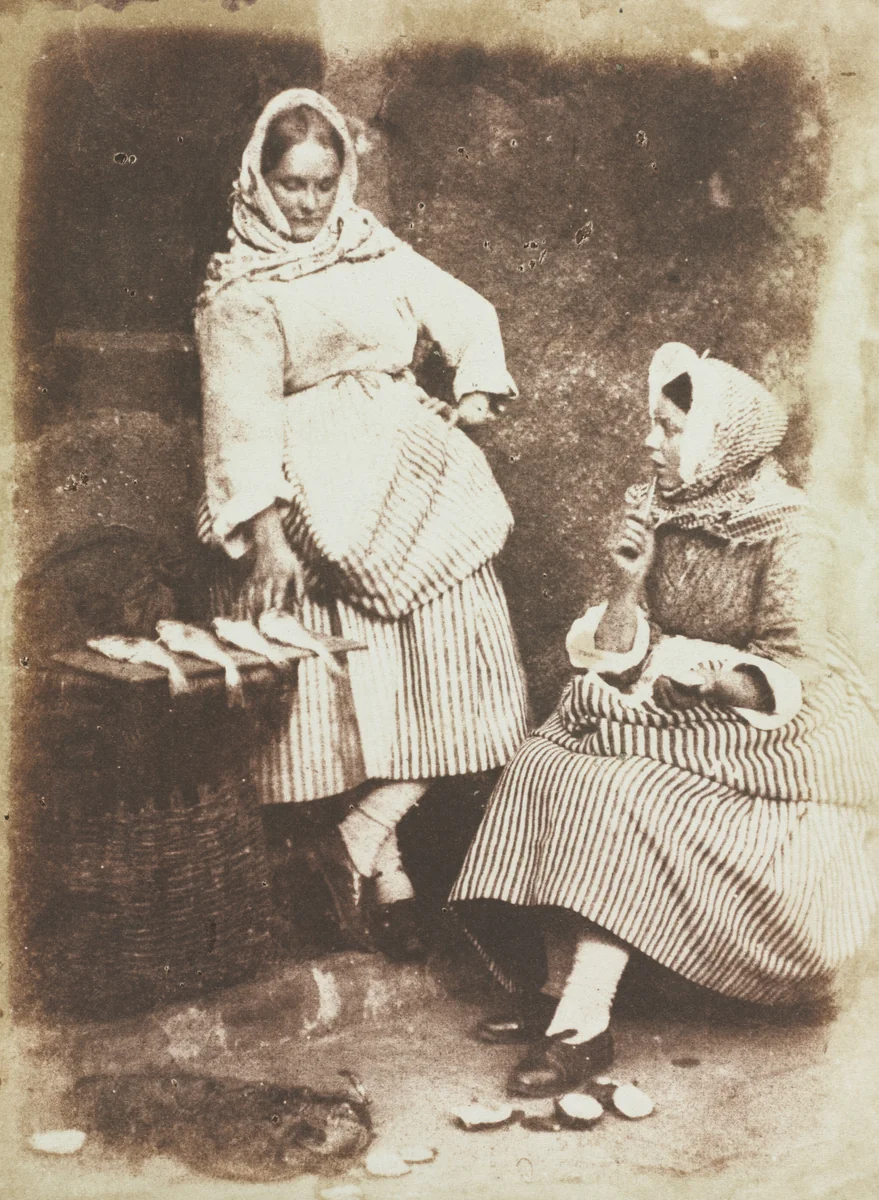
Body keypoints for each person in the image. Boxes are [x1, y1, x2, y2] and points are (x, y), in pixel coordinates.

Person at [450, 342, 879, 1097]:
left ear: (719, 440)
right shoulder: (652, 508)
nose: (650, 441)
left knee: (626, 792)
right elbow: (614, 650)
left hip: (777, 722)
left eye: (670, 426)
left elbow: (794, 666)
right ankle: (556, 994)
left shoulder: (792, 533)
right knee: (544, 761)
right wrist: (626, 583)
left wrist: (717, 682)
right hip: (671, 699)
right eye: (653, 423)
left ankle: (584, 1023)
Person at [194, 89, 529, 962]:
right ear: (260, 183)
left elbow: (468, 315)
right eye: (290, 185)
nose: (307, 205)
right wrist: (267, 536)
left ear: (342, 178)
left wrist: (475, 390)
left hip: (415, 476)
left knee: (452, 675)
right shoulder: (241, 291)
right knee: (365, 690)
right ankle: (391, 884)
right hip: (317, 498)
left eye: (321, 183)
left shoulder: (376, 250)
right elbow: (240, 421)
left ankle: (363, 835)